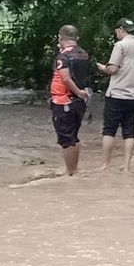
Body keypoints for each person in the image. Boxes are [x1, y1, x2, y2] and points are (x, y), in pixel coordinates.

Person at [96, 17, 134, 172]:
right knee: (129, 131)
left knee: (109, 130)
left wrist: (103, 68)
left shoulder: (120, 45)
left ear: (120, 30)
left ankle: (105, 165)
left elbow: (113, 69)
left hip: (116, 94)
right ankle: (127, 166)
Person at [49, 24, 93, 176]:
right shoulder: (83, 54)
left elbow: (66, 78)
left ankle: (70, 172)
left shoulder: (63, 56)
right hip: (78, 103)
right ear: (77, 38)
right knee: (73, 136)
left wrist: (78, 92)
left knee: (66, 140)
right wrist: (81, 94)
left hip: (64, 101)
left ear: (60, 38)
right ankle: (74, 170)